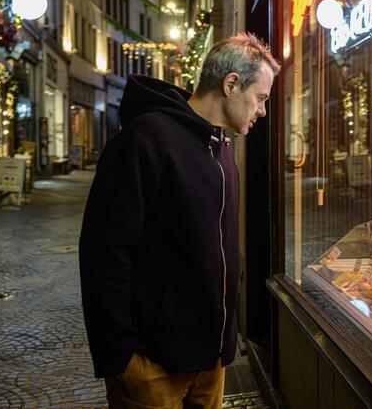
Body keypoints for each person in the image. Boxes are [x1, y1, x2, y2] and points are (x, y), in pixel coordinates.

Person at [79, 33, 279, 408]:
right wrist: (121, 357)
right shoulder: (143, 140)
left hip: (211, 361)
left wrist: (226, 341)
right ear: (231, 84)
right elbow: (103, 254)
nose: (263, 111)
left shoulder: (221, 148)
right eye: (261, 98)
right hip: (152, 367)